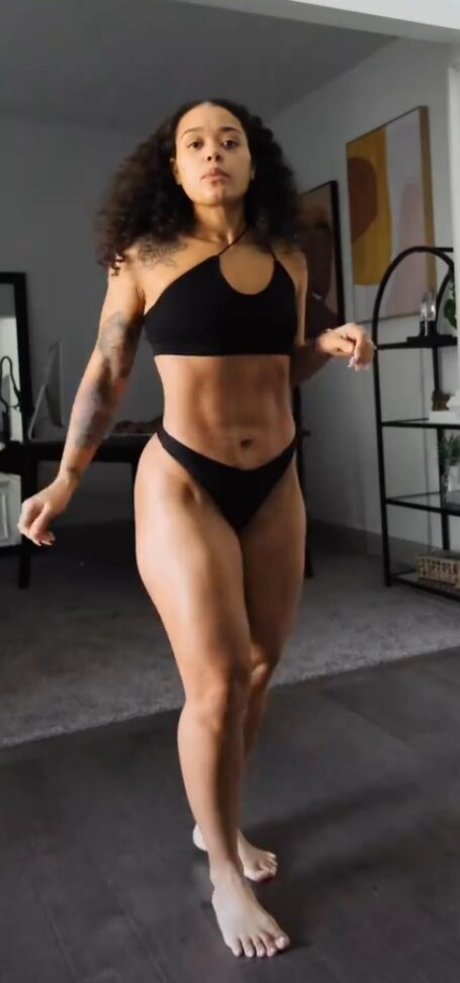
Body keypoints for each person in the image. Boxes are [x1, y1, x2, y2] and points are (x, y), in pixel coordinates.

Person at [18, 99, 375, 959]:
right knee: (215, 680)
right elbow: (109, 366)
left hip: (276, 478)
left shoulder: (289, 255)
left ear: (253, 163)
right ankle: (222, 868)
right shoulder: (143, 256)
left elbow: (284, 360)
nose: (213, 153)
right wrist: (65, 477)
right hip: (184, 478)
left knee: (260, 665)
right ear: (175, 169)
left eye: (229, 141)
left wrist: (327, 345)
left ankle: (218, 817)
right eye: (195, 143)